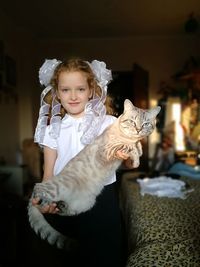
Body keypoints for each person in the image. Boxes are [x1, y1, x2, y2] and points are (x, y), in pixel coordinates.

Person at [31, 58, 131, 267]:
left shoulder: (108, 123)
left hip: (102, 198)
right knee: (72, 255)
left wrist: (124, 152)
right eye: (66, 90)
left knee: (106, 252)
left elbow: (127, 160)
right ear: (57, 93)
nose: (73, 96)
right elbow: (48, 171)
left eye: (80, 89)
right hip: (66, 195)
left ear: (91, 90)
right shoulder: (52, 129)